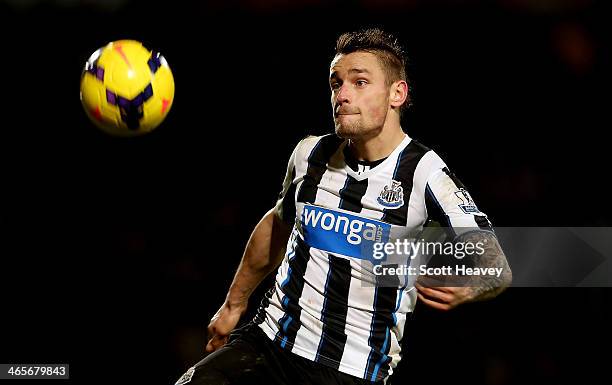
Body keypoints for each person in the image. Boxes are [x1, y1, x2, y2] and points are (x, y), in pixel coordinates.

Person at [174, 27, 512, 385]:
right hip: (269, 342)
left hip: (349, 369)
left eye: (360, 82)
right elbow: (278, 224)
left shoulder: (425, 173)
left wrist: (471, 285)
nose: (342, 95)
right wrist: (234, 304)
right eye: (336, 84)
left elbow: (497, 264)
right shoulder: (311, 154)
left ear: (397, 93)